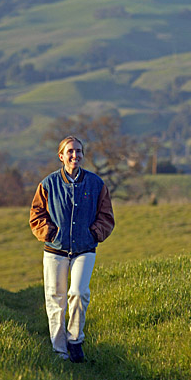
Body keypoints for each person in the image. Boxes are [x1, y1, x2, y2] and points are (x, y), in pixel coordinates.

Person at [29, 135, 115, 362]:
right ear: (61, 156)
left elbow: (106, 217)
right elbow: (36, 216)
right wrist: (51, 234)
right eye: (70, 151)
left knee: (79, 293)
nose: (74, 155)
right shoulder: (47, 184)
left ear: (83, 155)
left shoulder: (96, 184)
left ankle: (75, 340)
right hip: (55, 251)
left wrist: (94, 234)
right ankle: (60, 352)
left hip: (84, 249)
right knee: (55, 299)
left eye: (78, 151)